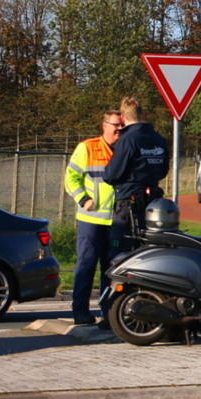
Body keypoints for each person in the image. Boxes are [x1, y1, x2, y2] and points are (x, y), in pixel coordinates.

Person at [63, 109, 124, 326]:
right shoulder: (87, 148)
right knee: (86, 265)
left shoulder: (125, 149)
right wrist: (83, 199)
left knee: (112, 270)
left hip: (116, 221)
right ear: (104, 125)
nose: (119, 129)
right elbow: (71, 177)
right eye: (115, 125)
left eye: (121, 125)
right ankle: (80, 312)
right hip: (91, 220)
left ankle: (109, 313)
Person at [103, 97, 170, 255]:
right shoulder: (159, 139)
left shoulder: (127, 140)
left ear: (123, 118)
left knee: (120, 252)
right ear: (143, 115)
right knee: (149, 250)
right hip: (153, 202)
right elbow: (163, 170)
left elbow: (111, 175)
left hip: (129, 203)